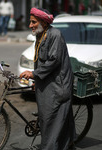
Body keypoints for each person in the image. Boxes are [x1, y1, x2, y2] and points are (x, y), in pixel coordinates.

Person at [19, 8, 75, 150]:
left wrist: (33, 74)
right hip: (46, 82)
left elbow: (53, 60)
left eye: (33, 22)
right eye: (30, 22)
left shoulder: (55, 35)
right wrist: (36, 80)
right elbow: (39, 61)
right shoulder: (40, 34)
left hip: (58, 85)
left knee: (51, 120)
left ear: (43, 22)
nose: (30, 25)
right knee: (49, 118)